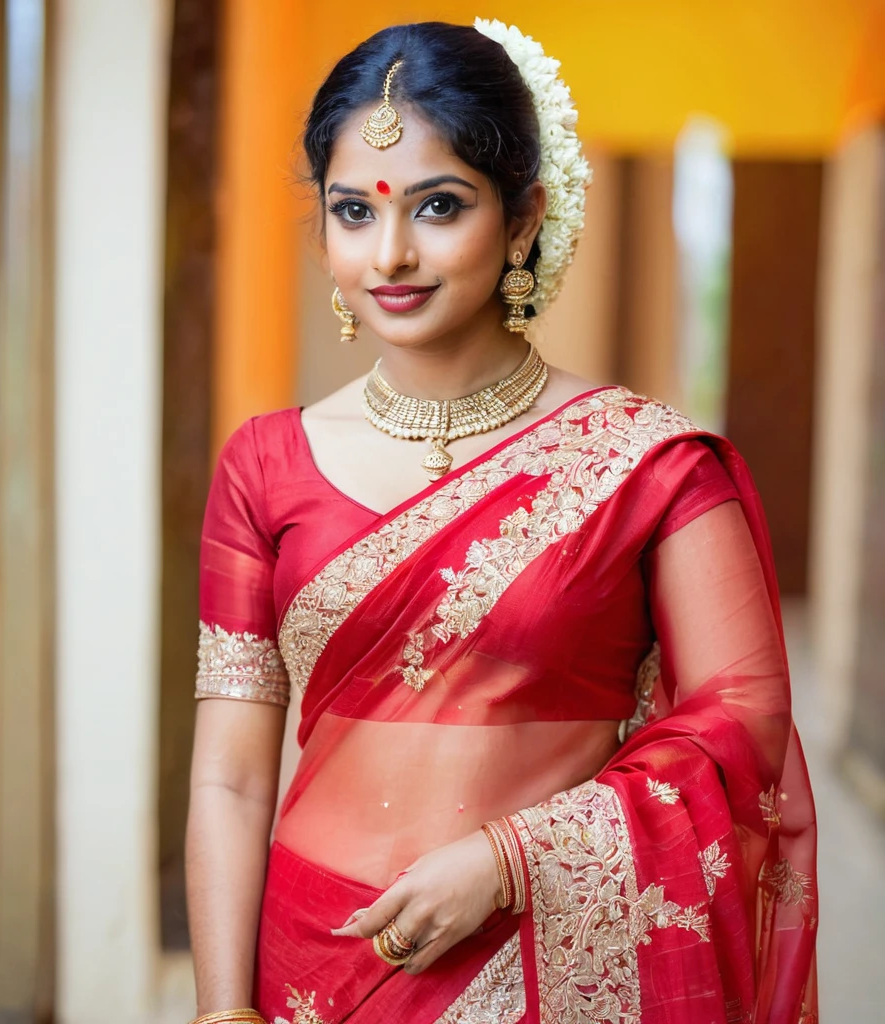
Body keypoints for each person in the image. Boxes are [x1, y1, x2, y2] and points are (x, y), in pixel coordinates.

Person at [184, 19, 818, 1024]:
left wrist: (510, 860)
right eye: (354, 211)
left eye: (439, 206)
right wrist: (222, 1009)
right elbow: (227, 774)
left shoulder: (648, 467)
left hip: (536, 964)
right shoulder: (262, 465)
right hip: (310, 967)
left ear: (523, 218)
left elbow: (745, 726)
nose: (390, 253)